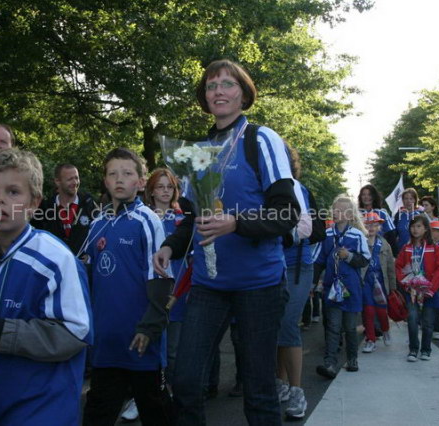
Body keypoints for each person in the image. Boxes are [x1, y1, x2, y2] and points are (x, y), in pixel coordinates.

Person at [153, 59, 299, 425]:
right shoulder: (197, 150)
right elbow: (193, 217)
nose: (218, 91)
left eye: (227, 84)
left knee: (259, 389)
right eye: (211, 85)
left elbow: (287, 213)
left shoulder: (260, 139)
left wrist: (236, 223)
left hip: (259, 284)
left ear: (244, 94)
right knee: (185, 380)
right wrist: (170, 246)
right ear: (204, 97)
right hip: (209, 284)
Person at [0, 149, 91, 425]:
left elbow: (76, 332)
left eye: (13, 192)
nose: (0, 199)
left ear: (34, 203)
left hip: (46, 407)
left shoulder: (55, 258)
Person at [82, 148, 173, 426]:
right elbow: (83, 277)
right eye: (112, 173)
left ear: (141, 182)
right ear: (105, 181)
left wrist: (149, 328)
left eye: (127, 173)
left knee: (155, 410)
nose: (119, 179)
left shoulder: (148, 220)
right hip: (106, 342)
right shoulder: (97, 224)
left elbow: (161, 280)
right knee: (97, 412)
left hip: (140, 340)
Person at [275, 146, 314, 420]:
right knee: (277, 326)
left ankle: (297, 391)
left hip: (296, 265)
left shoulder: (297, 188)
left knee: (288, 324)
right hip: (270, 266)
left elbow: (305, 228)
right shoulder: (262, 188)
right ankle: (280, 383)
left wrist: (269, 233)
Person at [314, 195, 370, 379]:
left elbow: (365, 259)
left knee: (350, 327)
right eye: (334, 209)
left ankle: (352, 359)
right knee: (333, 326)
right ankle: (330, 363)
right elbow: (319, 261)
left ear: (349, 215)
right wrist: (313, 283)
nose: (335, 213)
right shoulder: (327, 234)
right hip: (332, 288)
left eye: (339, 210)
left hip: (351, 289)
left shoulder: (357, 235)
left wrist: (349, 256)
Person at [395, 215, 439, 362]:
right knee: (412, 319)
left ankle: (426, 350)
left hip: (429, 291)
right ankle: (413, 349)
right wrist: (406, 284)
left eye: (418, 226)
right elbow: (398, 267)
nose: (415, 229)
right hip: (412, 291)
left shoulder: (433, 248)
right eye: (412, 226)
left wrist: (431, 288)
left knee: (428, 322)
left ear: (425, 229)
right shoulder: (406, 248)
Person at [31, 163, 98, 255]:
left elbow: (100, 234)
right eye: (70, 179)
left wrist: (91, 255)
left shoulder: (88, 204)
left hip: (81, 263)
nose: (75, 182)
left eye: (76, 178)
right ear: (57, 181)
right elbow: (35, 238)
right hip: (53, 262)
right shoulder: (46, 207)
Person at [360, 212, 396, 353]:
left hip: (381, 281)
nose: (371, 228)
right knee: (368, 311)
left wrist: (392, 287)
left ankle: (385, 329)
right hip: (366, 281)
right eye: (368, 225)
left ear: (379, 227)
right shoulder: (360, 242)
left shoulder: (385, 244)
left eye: (374, 225)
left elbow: (390, 268)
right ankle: (370, 339)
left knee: (381, 311)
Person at [358, 184, 397, 251]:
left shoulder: (382, 214)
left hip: (381, 250)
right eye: (363, 194)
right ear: (360, 197)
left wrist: (394, 254)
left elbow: (391, 236)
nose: (366, 197)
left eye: (369, 194)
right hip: (361, 250)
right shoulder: (356, 214)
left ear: (374, 196)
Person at [393, 188, 422, 252]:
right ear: (403, 200)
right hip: (401, 250)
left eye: (411, 199)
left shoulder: (421, 215)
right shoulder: (399, 215)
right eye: (406, 198)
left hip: (418, 251)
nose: (408, 201)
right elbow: (394, 234)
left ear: (415, 200)